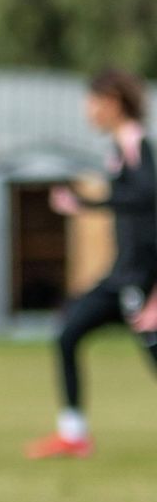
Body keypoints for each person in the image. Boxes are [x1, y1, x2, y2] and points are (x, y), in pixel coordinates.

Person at [26, 70, 157, 459]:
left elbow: (149, 199)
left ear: (113, 102)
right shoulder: (119, 147)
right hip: (121, 275)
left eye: (93, 103)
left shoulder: (136, 142)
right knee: (68, 333)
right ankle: (73, 434)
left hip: (142, 277)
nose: (88, 111)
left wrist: (87, 203)